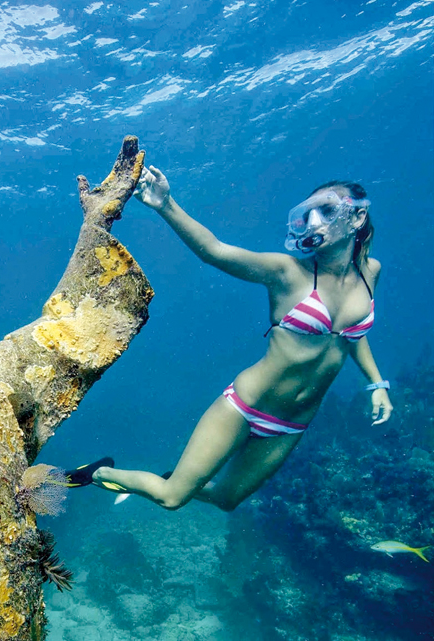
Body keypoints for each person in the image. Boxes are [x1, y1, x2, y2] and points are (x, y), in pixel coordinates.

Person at [65, 164, 393, 512]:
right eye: (308, 214)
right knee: (172, 497)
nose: (313, 222)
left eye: (325, 211)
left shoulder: (370, 272)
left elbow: (351, 335)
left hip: (292, 423)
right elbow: (215, 251)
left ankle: (181, 477)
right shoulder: (288, 272)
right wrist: (165, 205)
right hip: (246, 405)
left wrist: (377, 384)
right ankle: (98, 473)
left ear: (357, 217)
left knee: (226, 498)